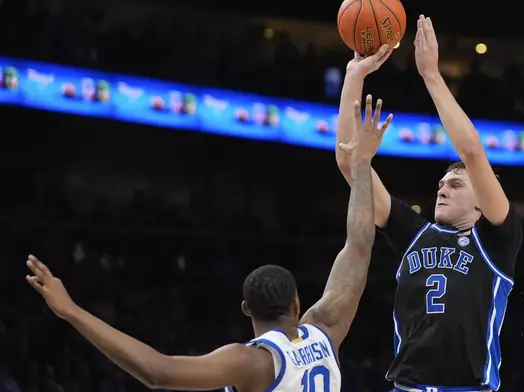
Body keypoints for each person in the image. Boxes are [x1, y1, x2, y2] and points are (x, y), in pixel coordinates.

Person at [24, 95, 394, 392]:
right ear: (297, 303)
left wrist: (71, 310)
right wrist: (361, 163)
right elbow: (360, 242)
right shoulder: (326, 331)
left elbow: (159, 372)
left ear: (246, 309)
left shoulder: (254, 363)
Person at [334, 16, 522, 392]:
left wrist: (432, 76)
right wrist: (354, 76)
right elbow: (348, 162)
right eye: (440, 184)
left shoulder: (498, 240)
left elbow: (471, 151)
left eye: (454, 184)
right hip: (407, 387)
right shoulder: (413, 234)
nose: (442, 189)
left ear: (482, 204)